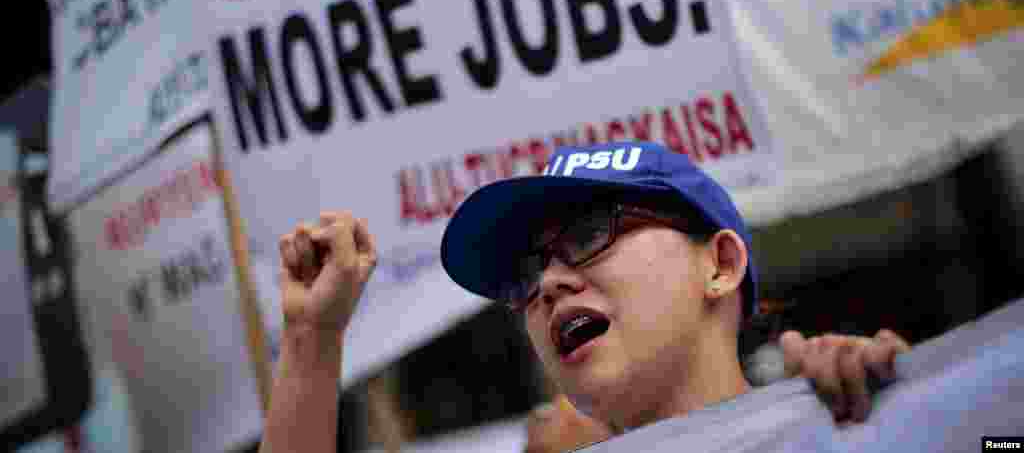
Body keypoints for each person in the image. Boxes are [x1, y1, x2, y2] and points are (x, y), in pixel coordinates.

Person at [259, 141, 909, 452]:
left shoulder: (858, 420)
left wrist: (893, 409)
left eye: (592, 233)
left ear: (720, 263)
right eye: (526, 272)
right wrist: (311, 340)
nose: (546, 283)